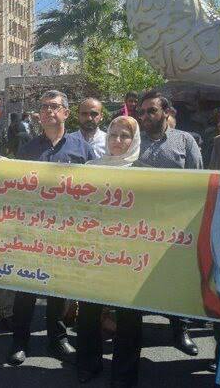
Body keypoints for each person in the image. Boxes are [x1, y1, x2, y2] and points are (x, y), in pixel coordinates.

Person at [8, 90, 95, 366]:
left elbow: (93, 192)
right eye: (44, 107)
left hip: (65, 233)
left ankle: (57, 340)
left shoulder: (82, 150)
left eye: (54, 107)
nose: (48, 111)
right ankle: (20, 342)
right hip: (32, 233)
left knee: (57, 290)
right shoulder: (28, 149)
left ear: (66, 113)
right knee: (26, 290)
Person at [137, 90, 202, 357]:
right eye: (142, 112)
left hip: (176, 226)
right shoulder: (133, 142)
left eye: (151, 111)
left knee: (175, 281)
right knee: (139, 278)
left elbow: (198, 181)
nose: (145, 116)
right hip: (139, 226)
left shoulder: (185, 141)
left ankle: (180, 330)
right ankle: (132, 333)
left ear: (167, 112)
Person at [79, 116, 143, 387]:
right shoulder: (91, 168)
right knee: (89, 312)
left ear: (134, 140)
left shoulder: (148, 173)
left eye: (125, 136)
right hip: (94, 252)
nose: (117, 141)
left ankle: (124, 373)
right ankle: (89, 364)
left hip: (129, 256)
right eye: (113, 135)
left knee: (129, 316)